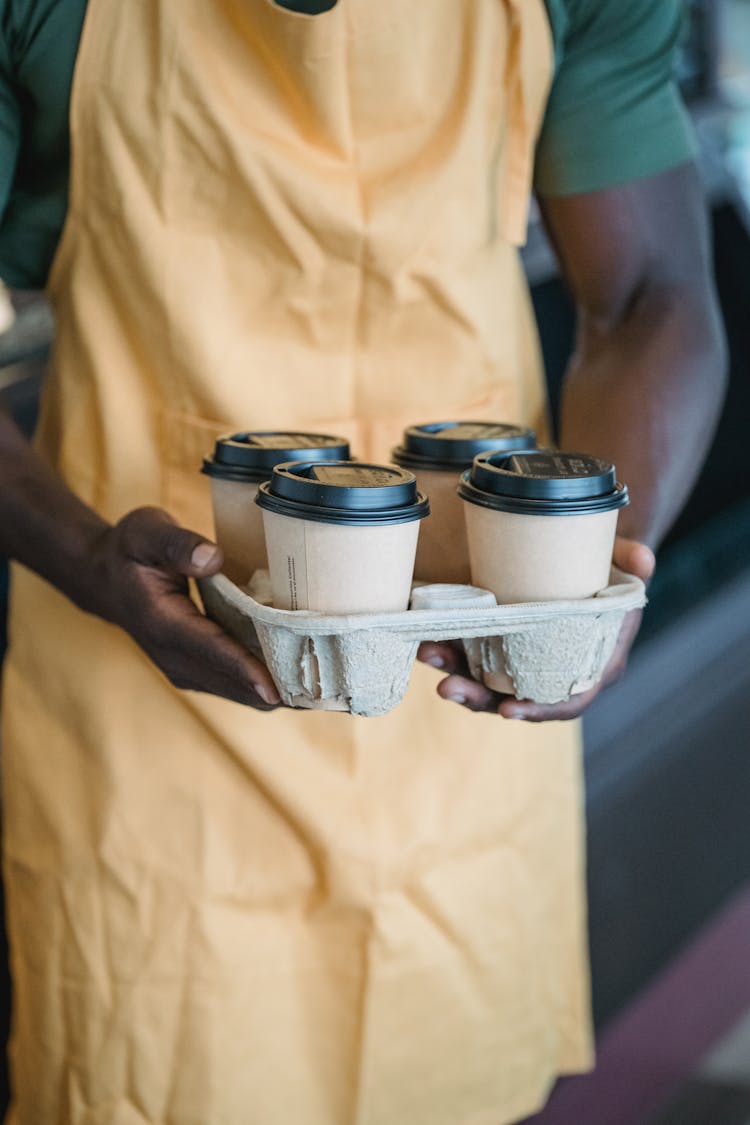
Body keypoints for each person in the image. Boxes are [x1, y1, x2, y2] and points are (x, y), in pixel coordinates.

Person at [0, 1, 726, 1123]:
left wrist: (593, 582)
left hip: (465, 682)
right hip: (144, 702)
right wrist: (87, 551)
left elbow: (646, 300)